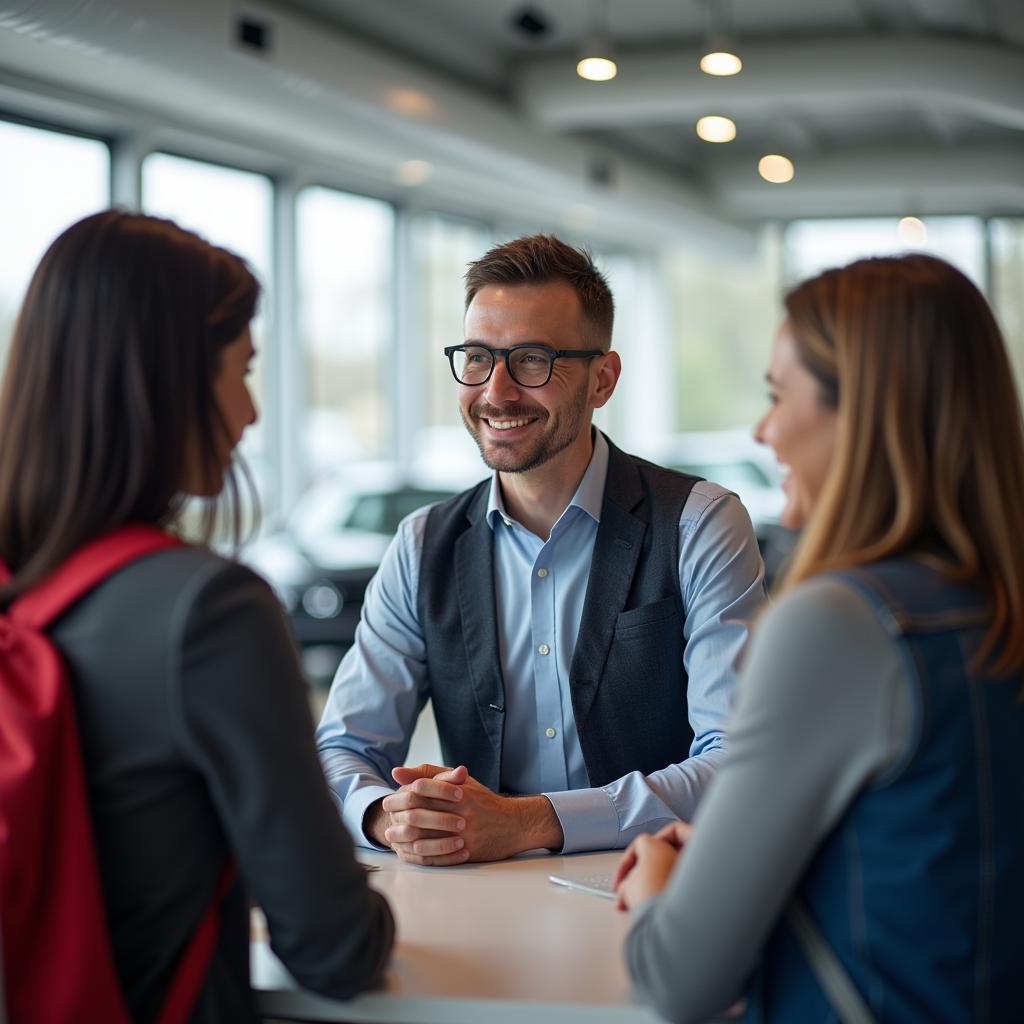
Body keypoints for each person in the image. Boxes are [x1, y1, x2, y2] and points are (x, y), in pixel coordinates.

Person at [0, 211, 394, 1022]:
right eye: (241, 371)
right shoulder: (211, 612)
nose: (249, 414)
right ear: (168, 377)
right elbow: (333, 946)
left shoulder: (20, 592)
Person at [614, 253, 1024, 1022]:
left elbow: (676, 980)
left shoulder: (837, 626)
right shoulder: (990, 605)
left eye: (777, 396)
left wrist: (658, 882)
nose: (763, 431)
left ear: (862, 415)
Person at [316, 234, 766, 866]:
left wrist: (530, 822)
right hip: (488, 904)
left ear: (603, 378)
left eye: (531, 360)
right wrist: (387, 818)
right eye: (477, 358)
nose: (496, 392)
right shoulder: (423, 545)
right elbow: (341, 748)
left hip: (660, 891)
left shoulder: (699, 523)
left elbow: (737, 761)